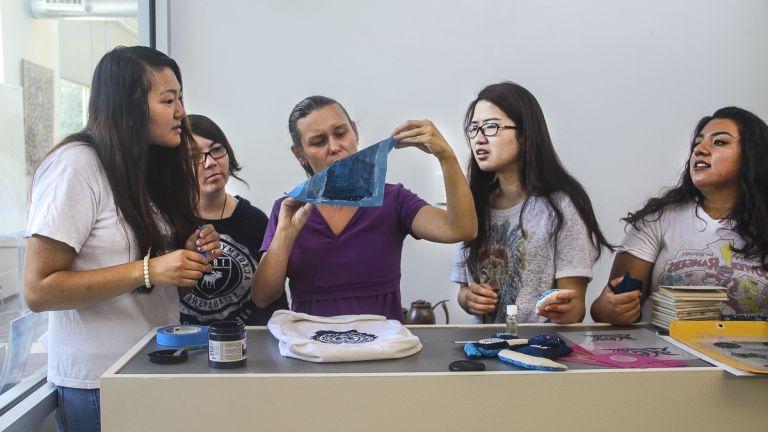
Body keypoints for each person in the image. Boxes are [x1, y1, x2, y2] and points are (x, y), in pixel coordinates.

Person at [23, 46, 220, 431]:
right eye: (168, 100)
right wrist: (150, 270)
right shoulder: (76, 165)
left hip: (152, 369)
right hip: (99, 383)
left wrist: (187, 257)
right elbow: (38, 290)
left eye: (180, 98)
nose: (181, 112)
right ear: (128, 106)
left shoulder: (146, 169)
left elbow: (149, 276)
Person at [252, 95, 477, 321]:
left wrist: (446, 156)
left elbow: (460, 229)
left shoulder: (393, 199)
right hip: (313, 351)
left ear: (355, 133)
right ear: (299, 154)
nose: (334, 147)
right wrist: (285, 233)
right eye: (318, 142)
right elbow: (262, 297)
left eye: (341, 133)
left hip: (382, 350)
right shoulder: (289, 210)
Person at [452, 82, 613, 324]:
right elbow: (463, 291)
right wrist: (468, 299)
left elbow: (576, 305)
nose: (479, 138)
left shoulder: (562, 206)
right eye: (473, 129)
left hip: (540, 350)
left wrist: (562, 309)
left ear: (525, 133)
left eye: (491, 127)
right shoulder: (472, 205)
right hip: (485, 350)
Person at [591, 107, 768, 324]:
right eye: (697, 143)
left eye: (719, 142)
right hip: (670, 354)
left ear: (753, 155)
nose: (700, 150)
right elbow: (606, 308)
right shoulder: (659, 219)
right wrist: (609, 309)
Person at [180, 114, 288, 325]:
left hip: (251, 345)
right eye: (193, 157)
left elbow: (273, 299)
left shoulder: (254, 220)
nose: (210, 162)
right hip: (189, 348)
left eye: (217, 149)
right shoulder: (168, 224)